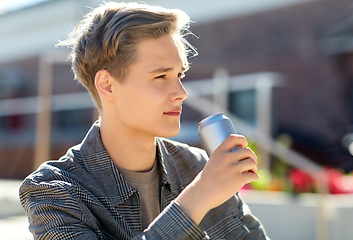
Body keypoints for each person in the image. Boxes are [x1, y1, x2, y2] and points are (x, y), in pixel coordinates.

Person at [19, 2, 270, 239]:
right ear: (107, 85)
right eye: (161, 76)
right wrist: (199, 197)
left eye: (179, 75)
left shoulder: (198, 167)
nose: (181, 92)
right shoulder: (53, 191)